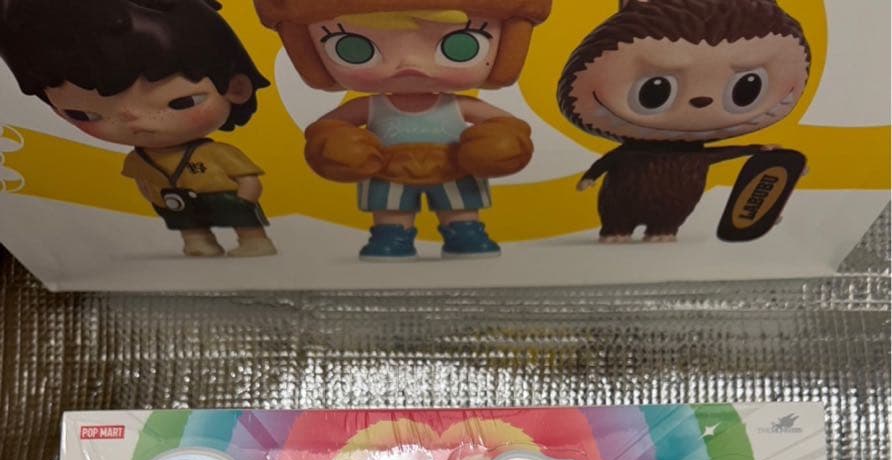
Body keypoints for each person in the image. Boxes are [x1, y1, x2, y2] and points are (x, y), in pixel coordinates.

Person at [254, 1, 551, 261]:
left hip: (455, 168)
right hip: (386, 171)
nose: (410, 64)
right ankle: (391, 237)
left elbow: (506, 124)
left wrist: (501, 140)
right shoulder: (372, 106)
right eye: (353, 48)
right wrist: (336, 144)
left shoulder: (458, 105)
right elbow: (327, 127)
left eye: (461, 45)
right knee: (391, 213)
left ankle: (465, 234)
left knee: (460, 209)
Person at [1, 0, 277, 257]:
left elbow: (247, 178)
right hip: (174, 200)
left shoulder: (215, 154)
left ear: (236, 88)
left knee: (242, 220)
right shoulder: (140, 159)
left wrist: (245, 199)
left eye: (182, 102)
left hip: (223, 196)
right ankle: (197, 242)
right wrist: (155, 199)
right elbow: (145, 182)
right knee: (189, 225)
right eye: (84, 115)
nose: (135, 121)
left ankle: (254, 240)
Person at [557, 0, 811, 243]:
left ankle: (663, 229)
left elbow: (720, 155)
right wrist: (591, 176)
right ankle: (616, 229)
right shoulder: (634, 151)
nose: (702, 101)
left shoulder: (692, 155)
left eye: (746, 88)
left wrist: (761, 153)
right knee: (617, 221)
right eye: (655, 91)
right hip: (622, 198)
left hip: (676, 207)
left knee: (665, 226)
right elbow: (612, 160)